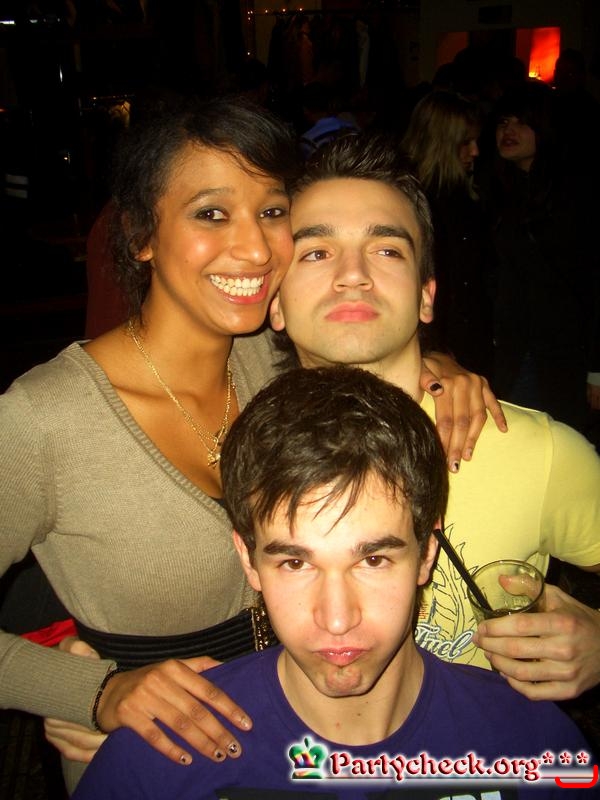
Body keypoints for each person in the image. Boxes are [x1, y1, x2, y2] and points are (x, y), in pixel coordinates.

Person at [0, 97, 502, 792]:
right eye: (211, 213)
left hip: (303, 740)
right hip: (157, 762)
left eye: (271, 211)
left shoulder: (275, 363)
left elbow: (376, 344)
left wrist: (441, 368)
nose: (257, 248)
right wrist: (91, 691)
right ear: (142, 234)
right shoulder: (45, 417)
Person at [72, 366, 595, 800]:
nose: (338, 619)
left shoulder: (534, 744)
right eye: (295, 564)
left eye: (374, 560)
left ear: (427, 554)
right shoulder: (154, 765)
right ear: (248, 560)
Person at [268, 132, 600, 703]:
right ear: (274, 301)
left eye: (387, 250)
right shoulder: (240, 451)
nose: (353, 274)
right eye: (316, 253)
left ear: (426, 295)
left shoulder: (534, 451)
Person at [483, 79, 597, 432]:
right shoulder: (498, 190)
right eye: (503, 122)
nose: (509, 131)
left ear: (543, 129)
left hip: (561, 351)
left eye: (522, 122)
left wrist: (596, 370)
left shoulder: (574, 194)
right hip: (512, 348)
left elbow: (591, 281)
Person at [402, 90, 494, 377]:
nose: (475, 151)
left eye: (476, 141)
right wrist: (436, 346)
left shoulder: (469, 195)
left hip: (467, 343)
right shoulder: (410, 202)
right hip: (438, 347)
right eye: (465, 143)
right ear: (441, 143)